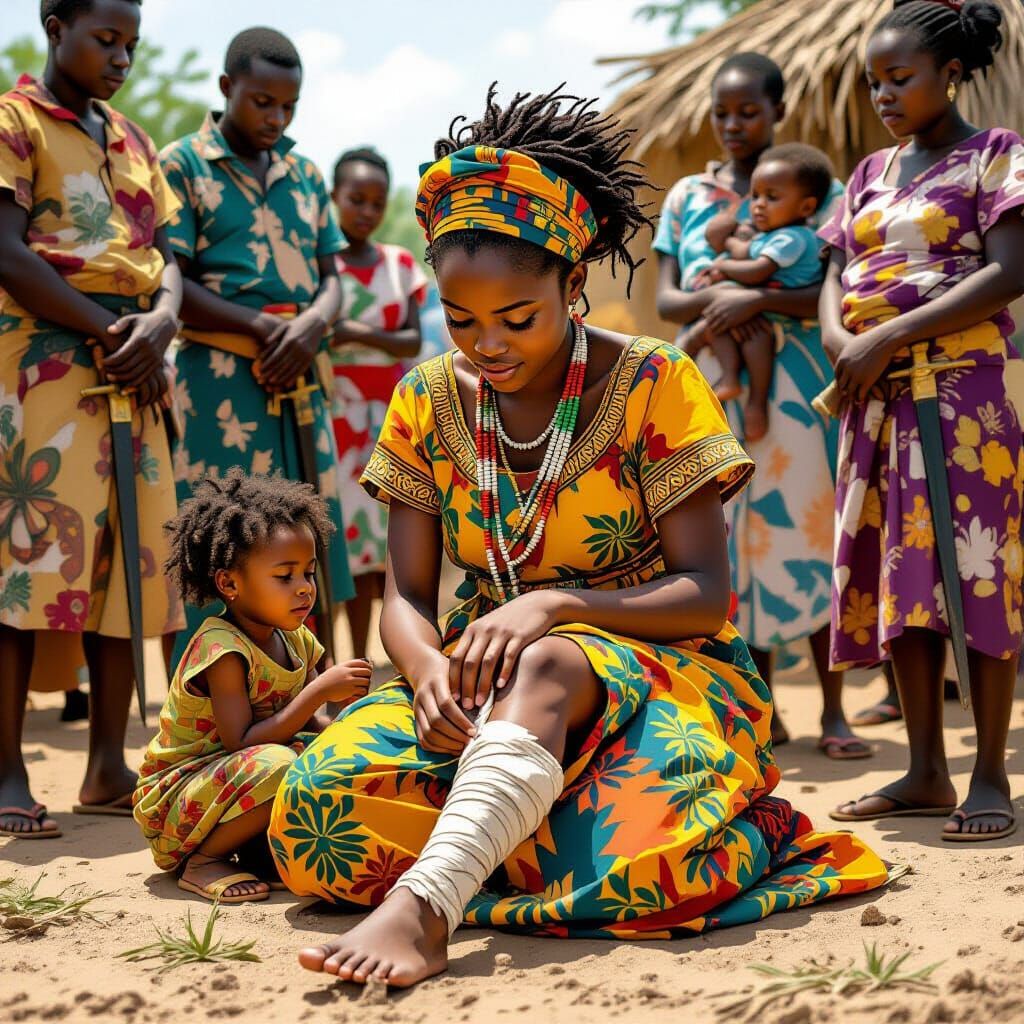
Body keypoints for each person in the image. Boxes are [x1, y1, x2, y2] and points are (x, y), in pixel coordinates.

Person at [267, 85, 889, 989]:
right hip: (479, 686)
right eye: (461, 317)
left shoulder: (654, 382)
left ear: (573, 282)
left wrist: (552, 605)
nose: (487, 345)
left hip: (661, 671)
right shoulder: (425, 397)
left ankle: (431, 901)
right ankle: (513, 825)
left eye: (517, 318)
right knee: (312, 817)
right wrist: (430, 668)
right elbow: (405, 593)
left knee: (565, 690)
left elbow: (706, 595)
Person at [822, 0, 1024, 841]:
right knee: (903, 580)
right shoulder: (869, 172)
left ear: (951, 73)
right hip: (876, 400)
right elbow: (836, 270)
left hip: (965, 396)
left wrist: (895, 334)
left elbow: (1013, 270)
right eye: (875, 82)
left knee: (976, 571)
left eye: (899, 78)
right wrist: (842, 339)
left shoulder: (999, 157)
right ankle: (925, 771)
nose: (884, 94)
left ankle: (988, 774)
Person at [0, 0, 184, 838]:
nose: (122, 58)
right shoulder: (13, 120)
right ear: (54, 24)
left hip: (137, 369)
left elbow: (168, 261)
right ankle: (7, 769)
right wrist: (106, 326)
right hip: (49, 363)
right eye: (106, 40)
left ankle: (108, 765)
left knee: (130, 568)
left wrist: (160, 322)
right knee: (30, 563)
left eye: (132, 45)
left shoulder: (135, 142)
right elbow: (5, 254)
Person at [653, 53, 869, 761]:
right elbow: (667, 301)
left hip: (796, 395)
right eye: (723, 111)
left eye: (749, 111)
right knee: (731, 552)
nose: (733, 124)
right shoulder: (689, 196)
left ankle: (834, 712)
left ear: (777, 111)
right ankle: (761, 711)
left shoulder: (821, 190)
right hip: (712, 394)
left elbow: (834, 293)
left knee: (805, 538)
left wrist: (760, 298)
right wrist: (726, 302)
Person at [160, 27, 353, 661]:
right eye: (261, 102)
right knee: (222, 543)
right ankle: (219, 704)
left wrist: (310, 327)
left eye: (289, 106)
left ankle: (312, 693)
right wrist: (266, 329)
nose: (276, 118)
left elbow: (333, 281)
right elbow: (173, 282)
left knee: (307, 539)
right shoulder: (182, 164)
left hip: (300, 377)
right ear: (226, 89)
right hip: (220, 382)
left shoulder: (304, 173)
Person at [133, 471, 371, 902]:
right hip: (177, 801)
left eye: (309, 573)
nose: (303, 588)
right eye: (284, 576)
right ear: (229, 584)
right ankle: (204, 861)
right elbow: (241, 740)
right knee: (282, 762)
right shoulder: (221, 649)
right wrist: (319, 693)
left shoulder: (294, 635)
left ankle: (250, 847)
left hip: (231, 785)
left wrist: (351, 724)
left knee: (323, 755)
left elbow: (313, 723)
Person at [329, 147, 426, 660]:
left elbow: (411, 342)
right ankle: (330, 662)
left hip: (389, 417)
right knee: (336, 544)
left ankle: (364, 658)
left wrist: (346, 331)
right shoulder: (322, 264)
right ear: (333, 198)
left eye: (376, 202)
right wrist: (371, 337)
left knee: (376, 543)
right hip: (334, 415)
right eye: (356, 199)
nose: (366, 211)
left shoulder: (401, 264)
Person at [686, 143, 835, 441]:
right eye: (755, 196)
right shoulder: (772, 236)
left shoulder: (793, 238)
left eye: (772, 197)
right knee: (720, 325)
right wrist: (728, 241)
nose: (758, 205)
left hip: (781, 317)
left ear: (806, 207)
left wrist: (724, 266)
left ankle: (756, 403)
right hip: (756, 310)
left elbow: (757, 270)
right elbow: (744, 251)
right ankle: (728, 377)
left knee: (757, 341)